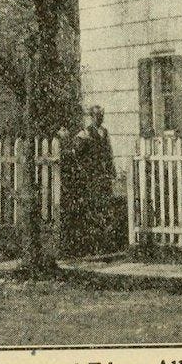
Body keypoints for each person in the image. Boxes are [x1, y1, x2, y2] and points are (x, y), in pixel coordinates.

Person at [72, 105, 117, 253]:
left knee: (106, 206)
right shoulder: (85, 133)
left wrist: (112, 171)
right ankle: (94, 244)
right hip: (92, 176)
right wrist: (86, 169)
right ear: (91, 117)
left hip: (103, 175)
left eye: (102, 115)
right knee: (93, 207)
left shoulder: (104, 132)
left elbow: (108, 153)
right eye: (97, 116)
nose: (100, 118)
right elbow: (76, 154)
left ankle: (106, 242)